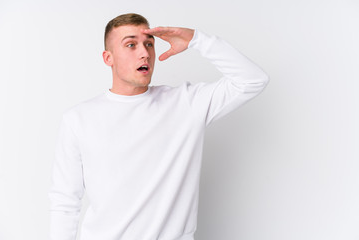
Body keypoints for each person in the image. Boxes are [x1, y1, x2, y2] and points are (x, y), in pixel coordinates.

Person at [48, 13, 269, 240]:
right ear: (108, 58)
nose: (144, 53)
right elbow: (65, 202)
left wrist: (196, 39)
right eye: (131, 45)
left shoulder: (185, 104)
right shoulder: (78, 119)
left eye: (149, 44)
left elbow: (252, 80)